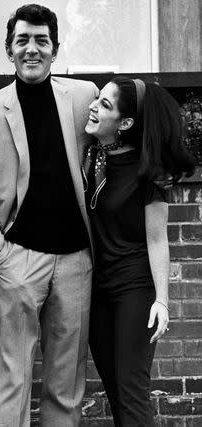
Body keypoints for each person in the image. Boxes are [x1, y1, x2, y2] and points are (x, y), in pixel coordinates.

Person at [0, 4, 98, 425]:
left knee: (66, 382)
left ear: (55, 49)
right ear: (8, 48)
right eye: (23, 40)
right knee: (11, 380)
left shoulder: (85, 97)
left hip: (75, 262)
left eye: (41, 41)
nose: (32, 49)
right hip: (17, 260)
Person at [83, 77, 194, 426]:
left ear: (125, 123)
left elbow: (158, 240)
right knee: (115, 391)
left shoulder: (149, 172)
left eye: (104, 104)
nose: (92, 106)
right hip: (98, 289)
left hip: (135, 288)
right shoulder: (91, 158)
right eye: (97, 99)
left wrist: (162, 300)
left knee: (131, 391)